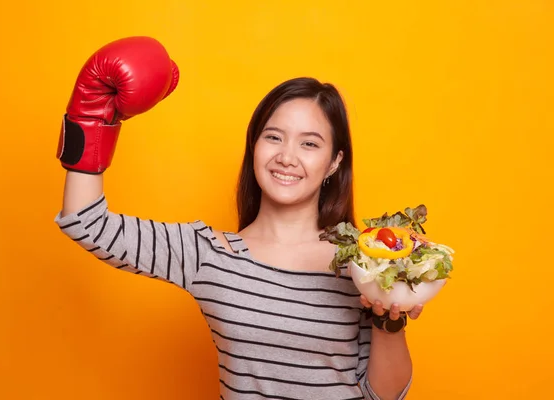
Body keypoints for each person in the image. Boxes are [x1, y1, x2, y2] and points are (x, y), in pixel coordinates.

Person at [55, 36, 422, 400]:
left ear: (335, 162)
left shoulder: (361, 262)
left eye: (309, 144)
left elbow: (385, 396)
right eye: (273, 137)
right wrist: (90, 118)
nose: (287, 157)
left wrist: (388, 320)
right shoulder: (208, 254)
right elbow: (87, 221)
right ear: (254, 146)